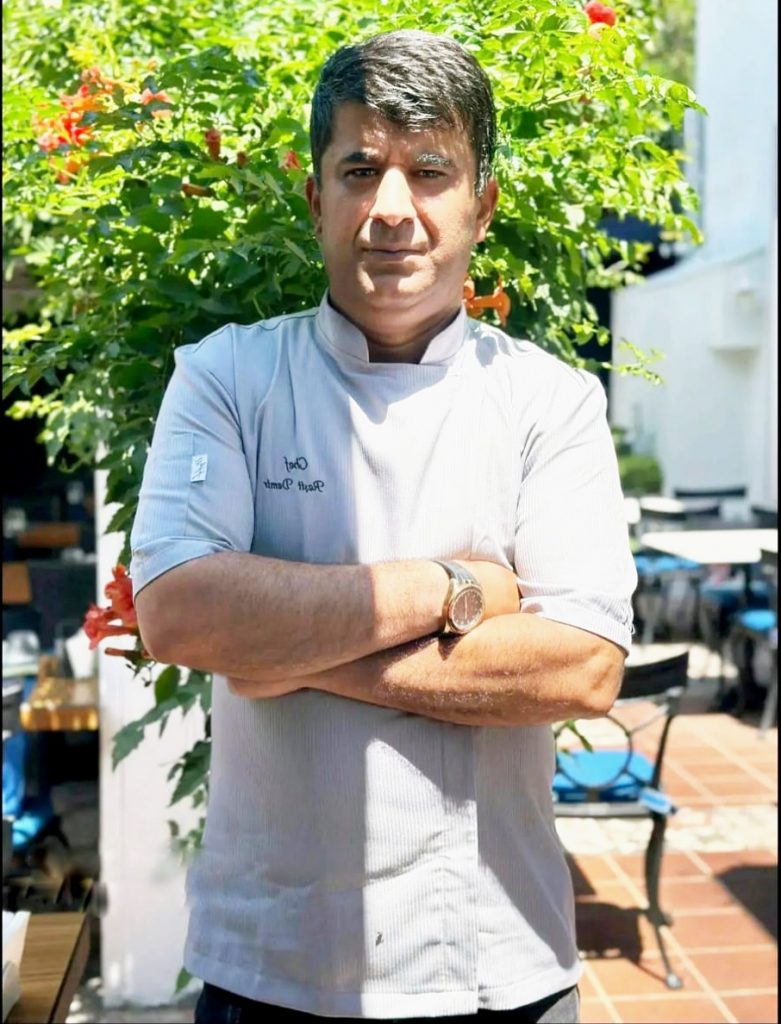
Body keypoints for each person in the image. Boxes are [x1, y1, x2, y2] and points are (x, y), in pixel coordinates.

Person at [130, 29, 636, 1024]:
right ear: (315, 198)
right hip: (270, 960)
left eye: (430, 172)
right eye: (359, 170)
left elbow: (582, 668)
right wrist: (459, 588)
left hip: (498, 956)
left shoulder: (550, 402)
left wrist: (286, 656)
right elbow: (181, 613)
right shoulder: (226, 377)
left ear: (481, 205)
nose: (391, 209)